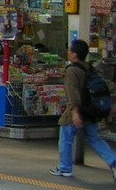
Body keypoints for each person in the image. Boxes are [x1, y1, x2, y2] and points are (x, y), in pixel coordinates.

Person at [49, 39, 116, 180]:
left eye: (70, 51)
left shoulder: (72, 70)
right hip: (90, 111)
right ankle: (113, 161)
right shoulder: (89, 67)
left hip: (77, 111)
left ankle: (65, 168)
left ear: (74, 55)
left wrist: (74, 112)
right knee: (94, 138)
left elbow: (72, 91)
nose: (68, 53)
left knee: (65, 138)